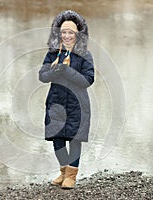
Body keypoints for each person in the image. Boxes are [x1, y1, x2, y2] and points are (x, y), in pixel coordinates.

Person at [39, 10, 94, 189]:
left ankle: (71, 175)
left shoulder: (85, 55)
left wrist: (67, 71)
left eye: (71, 32)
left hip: (77, 105)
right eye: (64, 32)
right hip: (56, 102)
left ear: (77, 34)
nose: (67, 36)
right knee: (57, 138)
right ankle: (63, 171)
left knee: (75, 139)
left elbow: (87, 80)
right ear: (58, 33)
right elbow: (43, 76)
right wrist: (56, 70)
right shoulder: (53, 53)